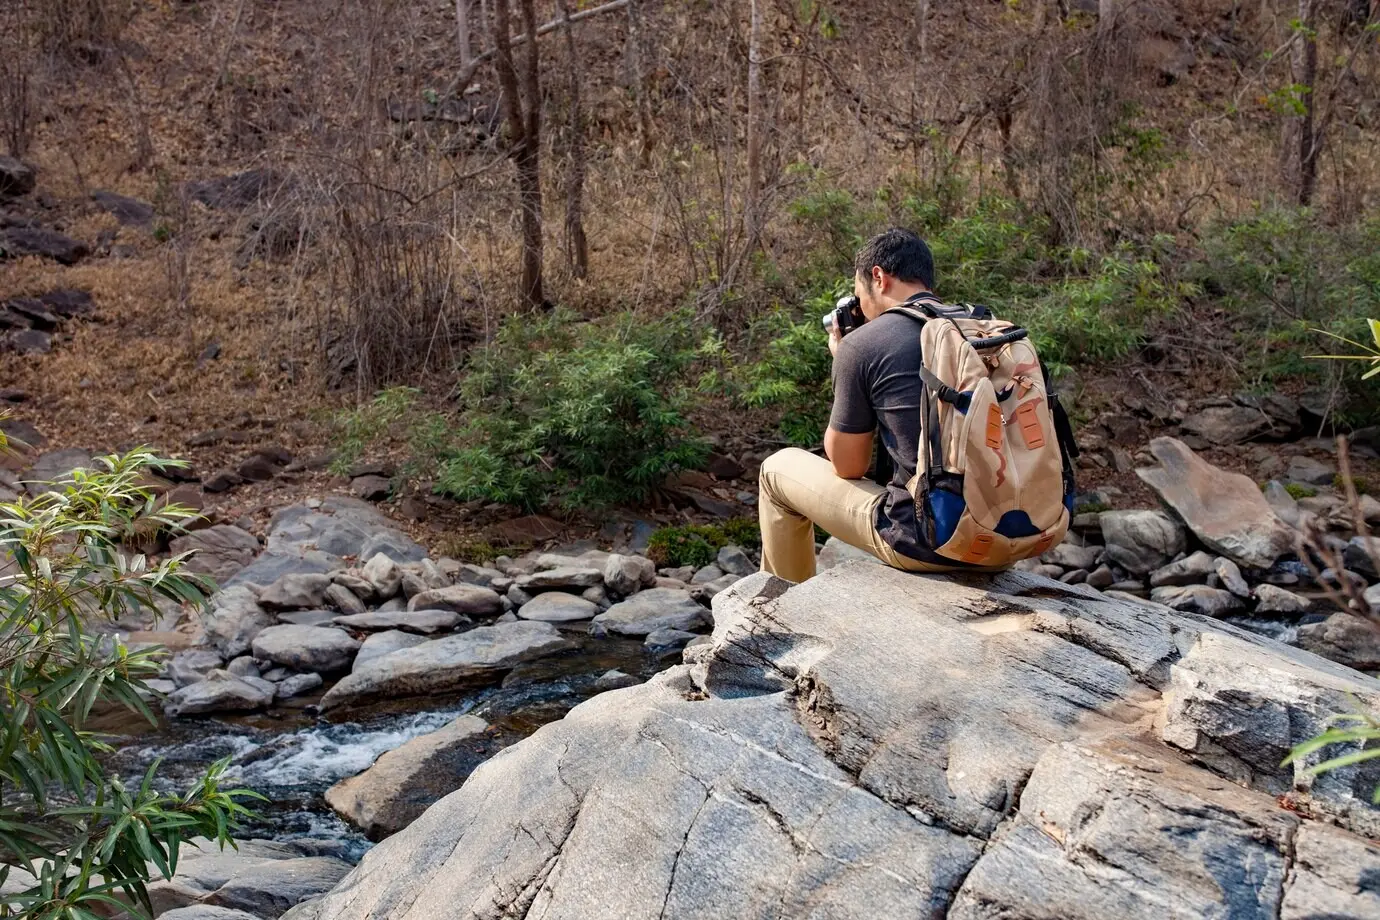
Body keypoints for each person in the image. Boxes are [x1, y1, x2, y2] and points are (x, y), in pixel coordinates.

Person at [758, 227, 1005, 582]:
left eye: (859, 295)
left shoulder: (863, 345)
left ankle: (783, 616)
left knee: (775, 469)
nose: (860, 307)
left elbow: (847, 465)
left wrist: (843, 358)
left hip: (925, 542)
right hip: (1005, 542)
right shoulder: (985, 331)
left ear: (878, 276)